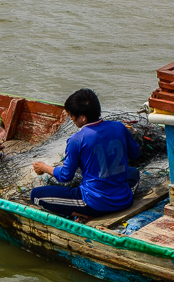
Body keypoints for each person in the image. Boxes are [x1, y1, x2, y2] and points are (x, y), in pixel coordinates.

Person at [31, 89, 140, 220]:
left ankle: (82, 214)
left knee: (36, 195)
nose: (72, 120)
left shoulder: (76, 140)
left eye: (73, 118)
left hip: (94, 203)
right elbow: (135, 154)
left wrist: (44, 168)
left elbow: (66, 176)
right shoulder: (119, 127)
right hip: (124, 199)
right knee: (133, 172)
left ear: (83, 117)